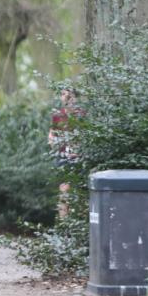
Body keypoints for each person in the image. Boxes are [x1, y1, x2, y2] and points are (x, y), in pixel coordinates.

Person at [48, 88, 83, 219]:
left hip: (80, 159)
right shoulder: (58, 115)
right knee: (64, 191)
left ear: (75, 97)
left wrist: (79, 150)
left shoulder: (82, 115)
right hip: (63, 157)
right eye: (63, 94)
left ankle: (78, 227)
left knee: (79, 192)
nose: (66, 98)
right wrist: (53, 143)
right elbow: (51, 133)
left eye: (70, 95)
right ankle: (65, 227)